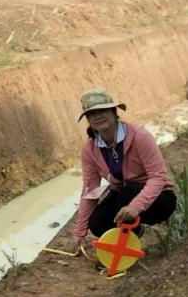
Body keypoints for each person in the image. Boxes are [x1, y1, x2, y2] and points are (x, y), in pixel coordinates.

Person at [72, 88, 177, 264]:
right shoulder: (90, 150)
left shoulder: (139, 136)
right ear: (88, 120)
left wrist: (136, 206)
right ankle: (135, 232)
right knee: (97, 223)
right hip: (124, 195)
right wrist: (79, 231)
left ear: (114, 112)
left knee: (127, 195)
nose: (98, 116)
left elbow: (158, 177)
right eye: (92, 114)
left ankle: (124, 255)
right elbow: (91, 190)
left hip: (159, 199)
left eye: (103, 111)